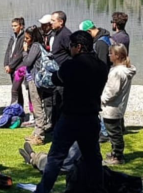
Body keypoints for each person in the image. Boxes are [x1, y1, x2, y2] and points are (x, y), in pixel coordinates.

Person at [35, 31, 109, 193]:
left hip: (71, 117)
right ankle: (98, 189)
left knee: (56, 157)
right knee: (93, 158)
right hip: (91, 117)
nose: (70, 49)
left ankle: (43, 190)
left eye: (71, 46)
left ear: (79, 47)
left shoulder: (72, 65)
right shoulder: (102, 67)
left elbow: (54, 79)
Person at [102, 44, 136, 165]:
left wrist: (101, 99)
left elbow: (112, 91)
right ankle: (115, 152)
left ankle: (117, 156)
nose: (109, 55)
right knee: (115, 131)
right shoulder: (123, 70)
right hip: (118, 106)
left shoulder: (117, 72)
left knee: (114, 133)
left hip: (112, 108)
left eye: (111, 53)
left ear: (117, 56)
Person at [22, 25, 48, 146]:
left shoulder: (35, 46)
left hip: (34, 79)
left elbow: (27, 62)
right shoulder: (37, 45)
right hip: (32, 78)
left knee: (37, 106)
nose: (25, 40)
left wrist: (25, 51)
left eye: (27, 38)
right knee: (36, 104)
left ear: (33, 38)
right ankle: (36, 132)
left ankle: (40, 136)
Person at [48, 11, 72, 129]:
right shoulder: (57, 33)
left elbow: (72, 54)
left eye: (53, 20)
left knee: (62, 102)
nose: (50, 22)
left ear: (61, 22)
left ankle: (61, 127)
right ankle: (55, 126)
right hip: (57, 75)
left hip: (64, 76)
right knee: (55, 102)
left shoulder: (66, 35)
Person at [4, 17, 25, 109]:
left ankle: (16, 108)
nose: (13, 28)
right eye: (12, 26)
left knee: (15, 89)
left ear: (21, 26)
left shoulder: (24, 37)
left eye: (15, 26)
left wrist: (11, 65)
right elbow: (8, 51)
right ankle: (19, 109)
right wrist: (5, 64)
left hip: (18, 67)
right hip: (10, 67)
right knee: (17, 89)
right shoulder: (13, 37)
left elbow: (20, 54)